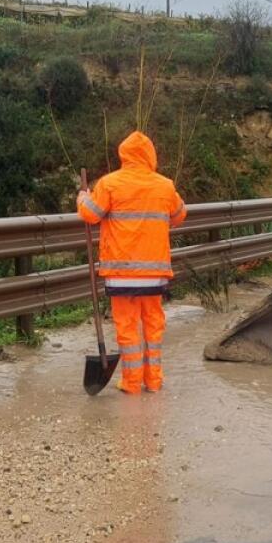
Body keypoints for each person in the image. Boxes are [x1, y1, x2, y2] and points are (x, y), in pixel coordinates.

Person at [77, 131, 187, 394]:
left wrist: (82, 197)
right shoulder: (165, 185)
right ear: (151, 155)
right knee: (153, 326)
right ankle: (154, 380)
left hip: (122, 272)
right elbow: (180, 214)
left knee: (127, 328)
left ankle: (131, 382)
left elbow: (90, 215)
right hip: (154, 273)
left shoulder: (110, 183)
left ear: (123, 155)